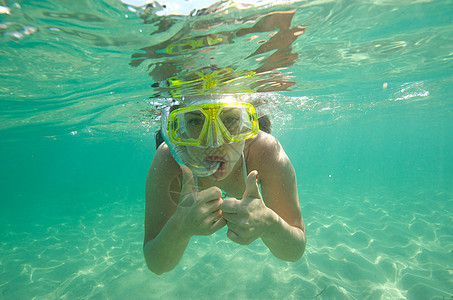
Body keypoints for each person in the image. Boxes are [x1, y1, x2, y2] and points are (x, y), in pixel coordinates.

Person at [144, 94, 306, 275]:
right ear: (179, 128)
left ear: (247, 123)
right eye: (196, 122)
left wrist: (269, 224)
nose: (214, 141)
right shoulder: (169, 159)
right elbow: (156, 264)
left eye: (230, 119)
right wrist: (180, 227)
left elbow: (295, 251)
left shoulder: (265, 151)